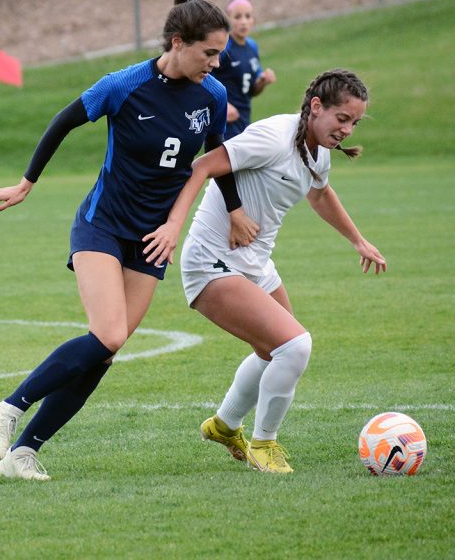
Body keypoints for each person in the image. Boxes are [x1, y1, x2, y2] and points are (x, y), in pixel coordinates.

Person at [0, 0, 253, 481]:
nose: (215, 64)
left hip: (152, 239)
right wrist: (26, 184)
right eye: (209, 53)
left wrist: (234, 210)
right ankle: (8, 407)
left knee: (105, 353)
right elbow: (64, 120)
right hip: (102, 224)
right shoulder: (124, 84)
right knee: (108, 333)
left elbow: (216, 158)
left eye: (221, 54)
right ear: (176, 42)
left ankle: (22, 454)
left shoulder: (212, 95)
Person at [141, 68, 387, 473]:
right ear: (315, 107)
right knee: (295, 346)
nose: (346, 129)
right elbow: (202, 166)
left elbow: (320, 193)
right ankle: (264, 443)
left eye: (354, 122)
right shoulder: (272, 137)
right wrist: (186, 225)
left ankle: (224, 425)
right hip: (211, 261)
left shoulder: (318, 150)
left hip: (255, 263)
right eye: (342, 118)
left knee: (276, 350)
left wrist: (358, 240)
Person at [211, 0, 276, 138]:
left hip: (244, 117)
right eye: (237, 17)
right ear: (227, 21)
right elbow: (203, 77)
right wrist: (223, 105)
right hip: (224, 120)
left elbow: (252, 90)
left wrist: (262, 81)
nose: (243, 22)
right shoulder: (223, 48)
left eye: (248, 16)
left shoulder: (252, 47)